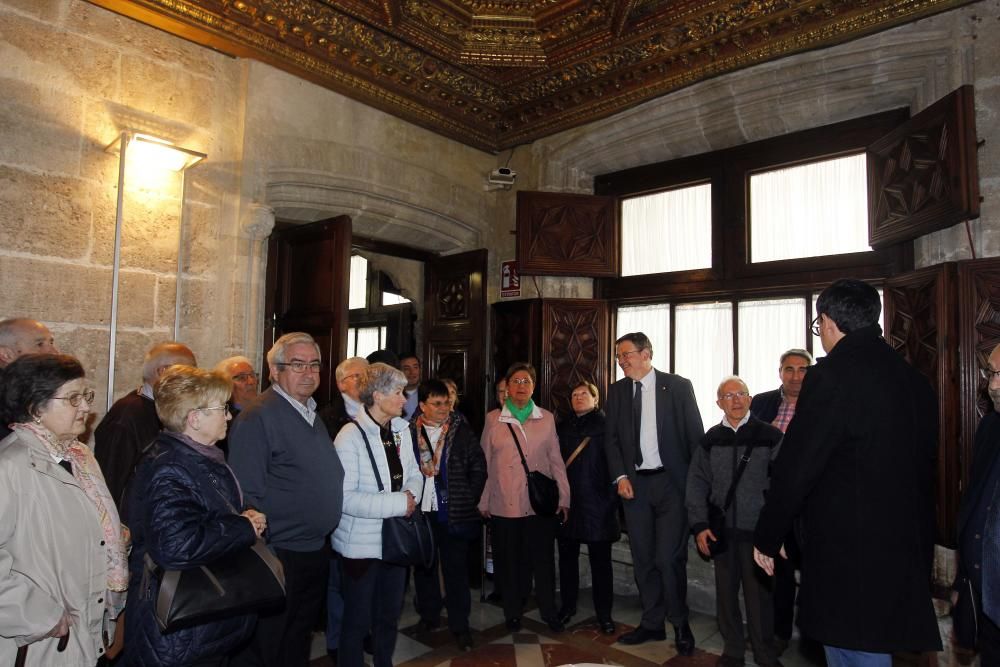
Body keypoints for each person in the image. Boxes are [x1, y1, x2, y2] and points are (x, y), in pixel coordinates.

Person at [753, 279, 941, 666]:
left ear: (829, 321)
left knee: (852, 652)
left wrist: (770, 535)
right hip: (904, 547)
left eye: (818, 326)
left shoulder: (831, 376)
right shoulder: (914, 380)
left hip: (848, 552)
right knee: (875, 648)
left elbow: (798, 466)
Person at [124, 365, 268, 667]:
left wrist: (243, 514)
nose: (229, 416)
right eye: (222, 408)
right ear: (194, 418)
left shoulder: (196, 457)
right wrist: (242, 527)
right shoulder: (170, 468)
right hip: (180, 629)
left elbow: (201, 513)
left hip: (200, 622)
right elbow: (175, 546)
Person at [0, 354, 127, 666]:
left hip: (85, 631)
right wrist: (38, 615)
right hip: (40, 642)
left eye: (86, 396)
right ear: (35, 408)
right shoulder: (11, 466)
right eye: (73, 398)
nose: (85, 407)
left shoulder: (80, 457)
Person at [228, 332, 344, 667]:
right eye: (297, 365)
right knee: (271, 644)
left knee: (298, 638)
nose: (309, 373)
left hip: (312, 550)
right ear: (275, 371)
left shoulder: (310, 412)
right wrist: (269, 548)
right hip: (280, 553)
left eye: (314, 365)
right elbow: (246, 491)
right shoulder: (258, 416)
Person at [604, 332, 703, 652]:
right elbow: (612, 441)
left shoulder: (677, 386)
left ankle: (680, 624)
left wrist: (695, 488)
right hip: (635, 487)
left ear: (646, 354)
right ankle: (651, 623)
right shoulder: (617, 391)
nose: (621, 361)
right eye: (619, 356)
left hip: (671, 485)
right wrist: (620, 476)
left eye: (626, 355)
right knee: (643, 557)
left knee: (668, 558)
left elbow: (694, 437)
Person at [686, 376, 783, 667]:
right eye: (728, 396)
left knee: (760, 599)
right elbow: (696, 483)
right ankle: (733, 651)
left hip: (759, 532)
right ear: (719, 403)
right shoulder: (711, 439)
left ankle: (765, 654)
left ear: (750, 399)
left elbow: (784, 484)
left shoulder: (771, 435)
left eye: (741, 394)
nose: (736, 400)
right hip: (722, 531)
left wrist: (778, 529)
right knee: (726, 596)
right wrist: (700, 525)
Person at [333, 362, 423, 667]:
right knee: (357, 621)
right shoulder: (350, 436)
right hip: (361, 546)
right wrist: (402, 503)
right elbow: (346, 499)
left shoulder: (401, 430)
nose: (404, 399)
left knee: (388, 616)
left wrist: (412, 494)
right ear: (377, 394)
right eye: (398, 392)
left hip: (395, 540)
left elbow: (415, 474)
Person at [478, 362, 570, 632]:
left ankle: (549, 611)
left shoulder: (547, 418)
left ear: (534, 386)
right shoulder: (493, 419)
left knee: (542, 560)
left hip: (539, 503)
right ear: (506, 387)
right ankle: (512, 611)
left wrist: (564, 497)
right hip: (503, 502)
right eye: (515, 381)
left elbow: (556, 461)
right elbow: (485, 463)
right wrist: (483, 500)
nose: (521, 386)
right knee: (508, 562)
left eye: (526, 381)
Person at [410, 379, 487, 650]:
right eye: (436, 403)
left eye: (446, 403)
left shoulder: (462, 432)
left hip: (452, 512)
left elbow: (479, 467)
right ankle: (429, 616)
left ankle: (460, 626)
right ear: (422, 406)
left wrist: (468, 496)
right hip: (420, 513)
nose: (443, 408)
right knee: (424, 568)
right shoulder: (408, 431)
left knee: (456, 571)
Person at [749, 348, 813, 654]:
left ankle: (814, 639)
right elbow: (745, 441)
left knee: (814, 572)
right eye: (789, 369)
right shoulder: (762, 403)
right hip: (771, 497)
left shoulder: (823, 404)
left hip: (811, 501)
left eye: (803, 370)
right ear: (780, 372)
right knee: (780, 573)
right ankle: (780, 633)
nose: (796, 376)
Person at [94, 341, 197, 507]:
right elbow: (111, 479)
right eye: (190, 371)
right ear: (163, 371)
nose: (194, 379)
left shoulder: (168, 409)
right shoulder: (127, 416)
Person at [556, 382, 620, 635]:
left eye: (584, 394)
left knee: (601, 564)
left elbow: (617, 464)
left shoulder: (607, 427)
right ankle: (568, 607)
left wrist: (611, 500)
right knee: (567, 561)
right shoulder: (561, 427)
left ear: (596, 399)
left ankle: (604, 614)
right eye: (574, 394)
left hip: (599, 503)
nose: (579, 398)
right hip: (568, 504)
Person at [317, 355, 369, 663]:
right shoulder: (326, 418)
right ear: (340, 383)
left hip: (372, 508)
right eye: (356, 377)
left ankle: (366, 633)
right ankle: (336, 641)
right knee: (339, 581)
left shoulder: (378, 413)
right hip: (339, 509)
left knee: (368, 580)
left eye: (366, 376)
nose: (363, 382)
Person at [954, 342, 1000, 663]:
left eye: (999, 374)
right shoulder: (989, 427)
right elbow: (975, 508)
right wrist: (962, 581)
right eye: (991, 374)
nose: (992, 385)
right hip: (985, 600)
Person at [0, 318, 59, 440]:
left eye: (51, 343)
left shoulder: (30, 391)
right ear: (6, 354)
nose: (54, 353)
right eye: (39, 344)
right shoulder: (9, 399)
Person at [400, 355, 421, 419]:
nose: (412, 372)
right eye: (406, 368)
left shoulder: (428, 393)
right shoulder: (393, 395)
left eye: (415, 367)